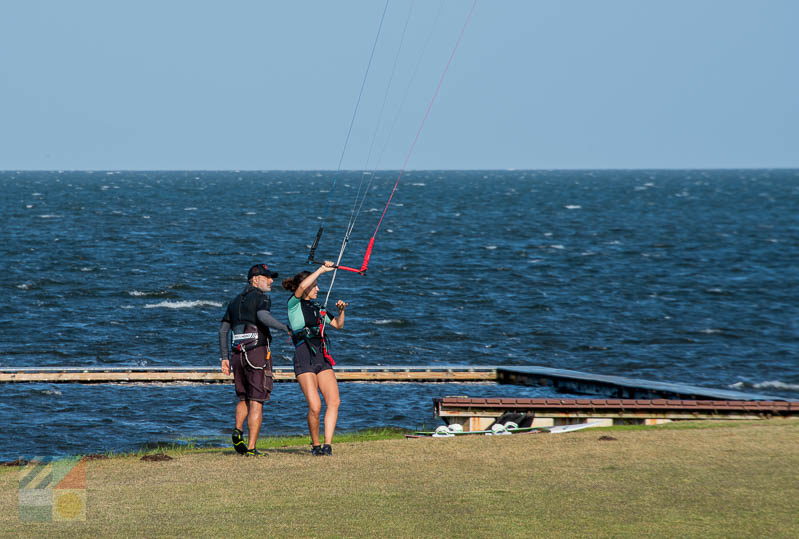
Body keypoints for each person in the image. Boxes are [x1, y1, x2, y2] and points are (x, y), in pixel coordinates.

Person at [219, 263, 290, 457]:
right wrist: (286, 328)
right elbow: (262, 316)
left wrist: (224, 357)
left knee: (244, 397)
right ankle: (251, 448)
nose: (271, 281)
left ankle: (237, 430)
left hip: (237, 355)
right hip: (257, 353)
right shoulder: (261, 297)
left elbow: (224, 330)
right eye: (267, 277)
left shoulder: (234, 301)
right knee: (257, 399)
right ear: (255, 279)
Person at [282, 261, 348, 456]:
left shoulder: (318, 307)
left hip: (321, 355)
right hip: (304, 355)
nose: (318, 288)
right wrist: (321, 270)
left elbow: (338, 325)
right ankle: (315, 445)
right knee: (315, 406)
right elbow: (301, 287)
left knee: (334, 402)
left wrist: (342, 310)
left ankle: (327, 445)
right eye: (315, 285)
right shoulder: (293, 304)